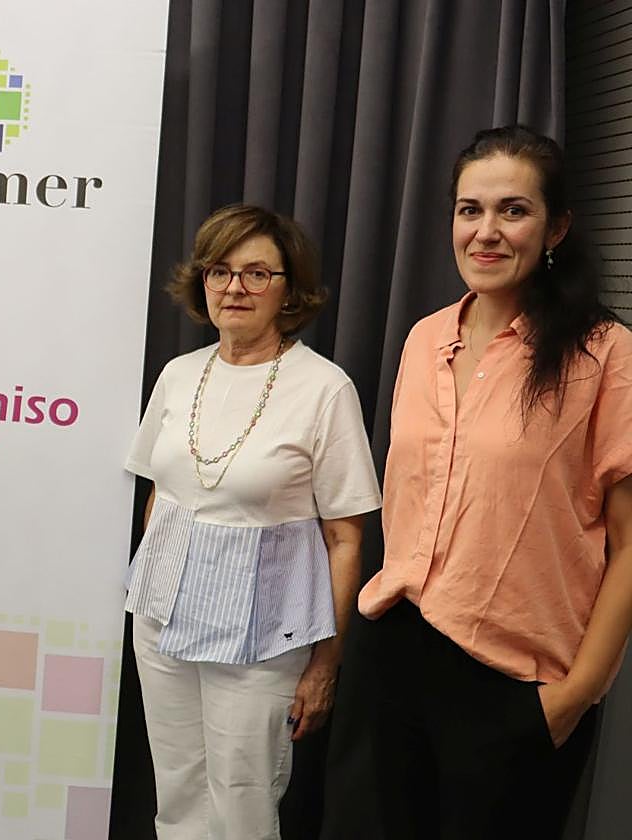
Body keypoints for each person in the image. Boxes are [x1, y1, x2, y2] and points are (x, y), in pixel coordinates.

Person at [357, 125, 632, 840]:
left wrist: (577, 696)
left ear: (557, 227)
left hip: (517, 684)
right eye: (469, 209)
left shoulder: (604, 353)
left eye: (514, 210)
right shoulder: (423, 338)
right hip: (398, 658)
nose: (486, 232)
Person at [126, 204, 382, 839]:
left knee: (242, 801)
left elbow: (345, 537)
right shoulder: (178, 374)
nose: (234, 287)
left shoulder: (325, 389)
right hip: (161, 619)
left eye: (257, 273)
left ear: (289, 290)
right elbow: (160, 493)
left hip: (265, 636)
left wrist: (326, 666)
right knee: (177, 792)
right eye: (219, 271)